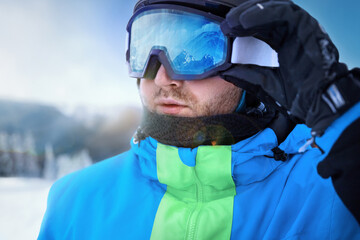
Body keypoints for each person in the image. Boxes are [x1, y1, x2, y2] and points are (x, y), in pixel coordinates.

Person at [38, 0, 360, 239]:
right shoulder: (75, 202)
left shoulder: (337, 192)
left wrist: (349, 125)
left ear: (253, 58)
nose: (162, 77)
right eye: (145, 49)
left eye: (195, 51)